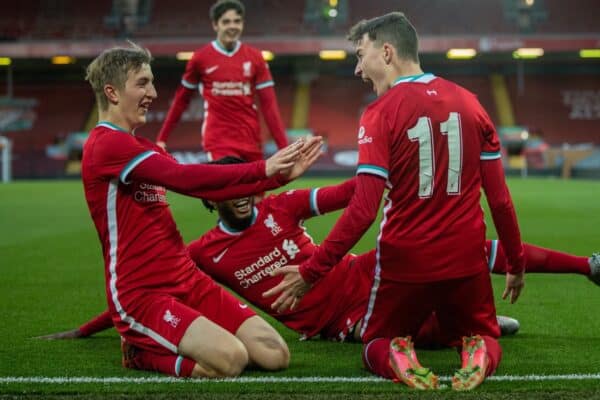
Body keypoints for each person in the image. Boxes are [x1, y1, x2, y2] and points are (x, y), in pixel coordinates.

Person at [39, 158, 600, 373]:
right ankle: (461, 320)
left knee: (456, 249)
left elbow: (341, 194)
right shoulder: (204, 255)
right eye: (232, 188)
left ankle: (585, 266)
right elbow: (153, 290)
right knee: (422, 334)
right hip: (337, 322)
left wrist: (385, 173)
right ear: (213, 200)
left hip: (360, 274)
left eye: (248, 185)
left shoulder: (280, 207)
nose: (244, 195)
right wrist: (95, 326)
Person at [264, 12, 526, 391]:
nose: (357, 69)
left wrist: (311, 272)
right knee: (482, 333)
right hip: (467, 260)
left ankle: (397, 353)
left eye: (360, 55)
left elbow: (363, 211)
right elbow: (500, 201)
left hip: (406, 262)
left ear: (386, 52)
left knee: (374, 341)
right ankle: (479, 353)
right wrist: (515, 263)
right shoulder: (471, 104)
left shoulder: (379, 114)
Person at [79, 42, 322, 378]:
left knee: (274, 355)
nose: (151, 92)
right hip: (143, 293)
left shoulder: (142, 146)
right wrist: (262, 169)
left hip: (185, 279)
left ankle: (177, 339)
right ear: (112, 92)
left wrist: (275, 179)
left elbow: (208, 186)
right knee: (230, 361)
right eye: (142, 83)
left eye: (151, 82)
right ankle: (139, 354)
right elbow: (184, 178)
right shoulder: (106, 144)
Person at [156, 0, 288, 161]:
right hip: (219, 141)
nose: (232, 26)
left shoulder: (255, 58)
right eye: (226, 22)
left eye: (237, 21)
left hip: (250, 139)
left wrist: (283, 147)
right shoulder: (201, 58)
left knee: (254, 187)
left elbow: (269, 105)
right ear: (215, 25)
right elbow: (181, 100)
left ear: (242, 24)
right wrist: (162, 138)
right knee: (229, 184)